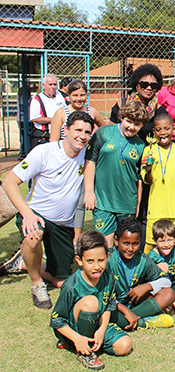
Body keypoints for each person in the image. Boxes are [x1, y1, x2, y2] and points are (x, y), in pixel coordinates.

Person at [3, 111, 94, 308]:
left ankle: (24, 262)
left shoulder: (87, 158)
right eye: (78, 130)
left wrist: (77, 233)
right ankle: (36, 283)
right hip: (37, 214)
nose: (82, 136)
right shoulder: (44, 152)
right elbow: (10, 182)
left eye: (87, 132)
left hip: (63, 225)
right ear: (66, 130)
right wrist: (27, 214)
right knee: (33, 235)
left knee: (60, 280)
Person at [50, 231, 131, 370]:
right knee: (91, 302)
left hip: (96, 324)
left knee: (125, 346)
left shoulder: (109, 277)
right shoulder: (71, 285)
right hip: (72, 329)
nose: (96, 266)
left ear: (107, 257)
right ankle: (83, 350)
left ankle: (90, 341)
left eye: (100, 260)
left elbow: (109, 306)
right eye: (90, 261)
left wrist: (101, 330)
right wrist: (77, 338)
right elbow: (56, 320)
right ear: (79, 260)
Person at [84, 101, 149, 247]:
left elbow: (139, 177)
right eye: (129, 121)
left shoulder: (140, 145)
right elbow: (90, 161)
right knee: (105, 245)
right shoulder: (104, 132)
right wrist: (89, 192)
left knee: (124, 245)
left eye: (137, 124)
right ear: (122, 117)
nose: (131, 127)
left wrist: (138, 204)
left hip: (126, 203)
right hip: (103, 201)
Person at [50, 80, 107, 243]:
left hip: (85, 161)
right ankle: (59, 231)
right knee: (66, 197)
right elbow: (53, 142)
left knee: (81, 199)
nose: (79, 98)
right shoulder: (61, 113)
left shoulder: (92, 111)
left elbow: (105, 129)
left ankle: (77, 237)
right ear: (68, 96)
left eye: (82, 94)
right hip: (66, 162)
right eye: (75, 95)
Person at [140, 113, 175, 253]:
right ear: (154, 132)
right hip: (156, 210)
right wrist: (148, 171)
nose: (163, 133)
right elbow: (147, 181)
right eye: (158, 130)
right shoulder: (149, 150)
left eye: (167, 128)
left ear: (173, 129)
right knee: (152, 248)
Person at [107, 218, 175, 331]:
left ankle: (128, 319)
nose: (130, 248)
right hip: (114, 305)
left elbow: (166, 281)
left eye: (135, 244)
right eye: (126, 243)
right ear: (116, 241)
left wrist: (147, 286)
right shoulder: (107, 258)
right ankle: (144, 322)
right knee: (103, 310)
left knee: (169, 294)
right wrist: (125, 311)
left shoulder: (143, 259)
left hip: (135, 304)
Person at [109, 63, 166, 142]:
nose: (149, 88)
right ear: (136, 85)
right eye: (144, 84)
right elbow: (110, 131)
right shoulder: (122, 105)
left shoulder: (159, 111)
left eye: (153, 85)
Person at [29, 74, 65, 151]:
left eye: (55, 84)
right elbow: (34, 118)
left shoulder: (60, 96)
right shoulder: (37, 99)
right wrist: (54, 120)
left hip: (60, 135)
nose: (52, 87)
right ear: (43, 85)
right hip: (43, 136)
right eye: (50, 84)